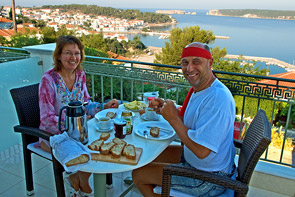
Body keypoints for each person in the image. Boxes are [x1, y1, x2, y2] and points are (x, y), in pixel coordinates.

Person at [132, 42, 236, 196]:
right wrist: (166, 111)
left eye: (196, 61)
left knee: (138, 174)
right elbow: (193, 123)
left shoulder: (218, 99)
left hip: (209, 178)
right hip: (194, 160)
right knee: (145, 155)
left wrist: (173, 119)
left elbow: (202, 151)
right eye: (185, 62)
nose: (189, 68)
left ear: (210, 63)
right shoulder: (201, 89)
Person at [38, 35, 119, 196]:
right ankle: (80, 182)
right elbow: (46, 119)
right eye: (68, 53)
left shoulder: (80, 75)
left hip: (79, 131)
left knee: (99, 144)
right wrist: (75, 124)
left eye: (77, 53)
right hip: (54, 135)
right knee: (88, 150)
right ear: (59, 56)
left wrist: (103, 106)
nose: (73, 58)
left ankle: (78, 180)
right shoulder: (48, 80)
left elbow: (85, 105)